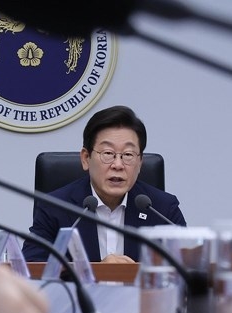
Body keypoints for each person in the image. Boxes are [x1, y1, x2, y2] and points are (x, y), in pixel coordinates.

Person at [22, 105, 186, 263]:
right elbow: (32, 267)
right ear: (86, 158)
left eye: (128, 154)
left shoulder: (163, 210)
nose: (118, 165)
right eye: (108, 153)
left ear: (140, 162)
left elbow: (187, 267)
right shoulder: (55, 207)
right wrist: (97, 272)